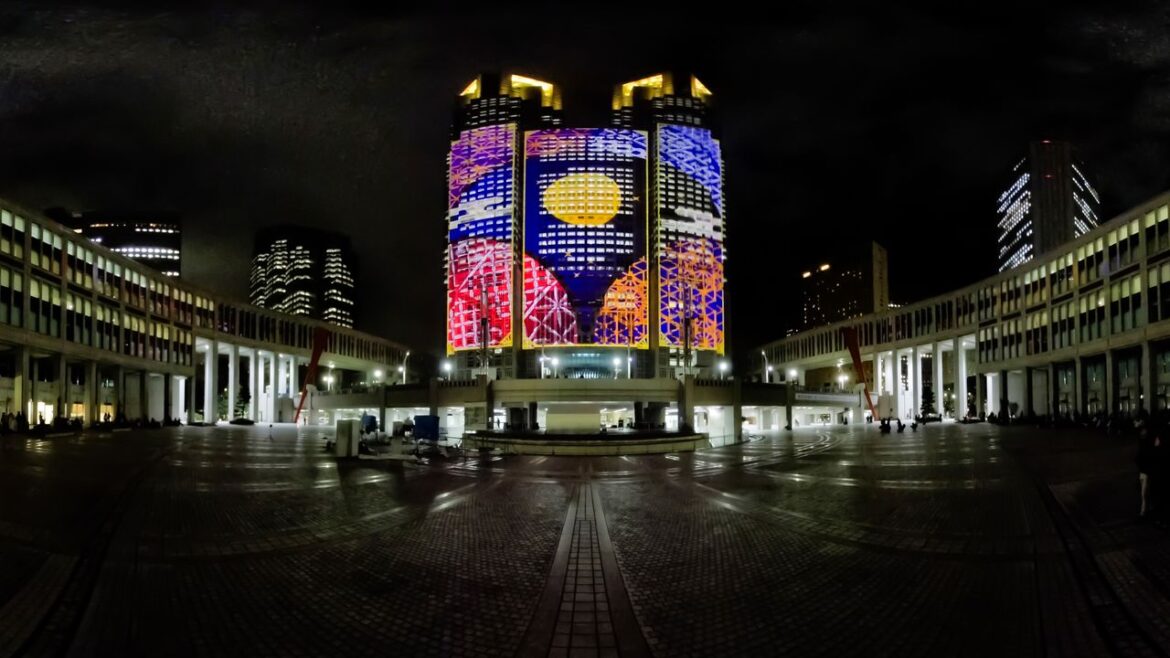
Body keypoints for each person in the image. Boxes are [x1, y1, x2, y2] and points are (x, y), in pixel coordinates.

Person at [1137, 430, 1162, 518]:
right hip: (1145, 472)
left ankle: (1143, 511)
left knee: (1144, 493)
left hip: (1145, 472)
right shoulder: (1146, 446)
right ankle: (1146, 510)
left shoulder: (1144, 446)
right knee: (1145, 493)